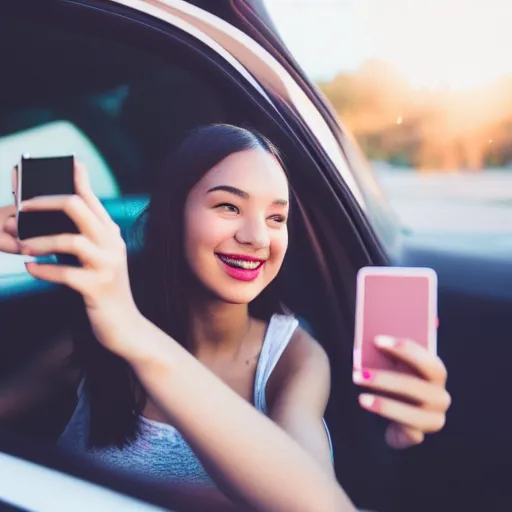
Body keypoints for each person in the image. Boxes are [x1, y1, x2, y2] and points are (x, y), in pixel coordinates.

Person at [0, 124, 450, 511]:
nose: (257, 237)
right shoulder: (92, 341)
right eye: (229, 207)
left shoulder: (292, 358)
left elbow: (315, 504)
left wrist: (131, 330)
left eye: (277, 217)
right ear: (171, 219)